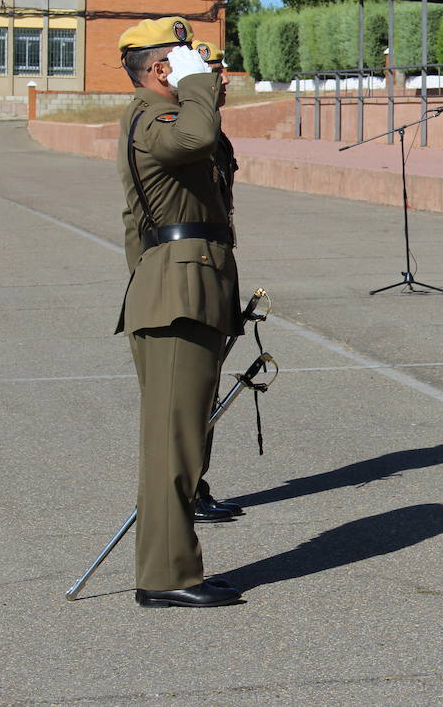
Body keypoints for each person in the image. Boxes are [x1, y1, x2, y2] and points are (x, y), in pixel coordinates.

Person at [115, 16, 243, 607]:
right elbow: (194, 140)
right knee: (173, 443)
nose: (206, 71)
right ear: (163, 69)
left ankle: (171, 565)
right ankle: (165, 575)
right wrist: (195, 86)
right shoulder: (155, 117)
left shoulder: (165, 115)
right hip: (177, 295)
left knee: (185, 437)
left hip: (181, 286)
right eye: (186, 58)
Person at [186, 40, 245, 525]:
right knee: (192, 393)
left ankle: (196, 484)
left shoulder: (216, 134)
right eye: (212, 72)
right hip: (190, 275)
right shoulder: (187, 131)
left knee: (208, 388)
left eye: (222, 71)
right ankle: (184, 490)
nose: (222, 79)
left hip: (217, 265)